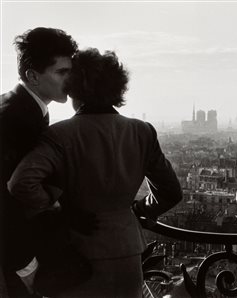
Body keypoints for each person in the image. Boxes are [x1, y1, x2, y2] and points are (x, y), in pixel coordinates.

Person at [8, 48, 183, 297]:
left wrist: (56, 208)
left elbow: (21, 183)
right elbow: (171, 192)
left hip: (77, 253)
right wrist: (139, 210)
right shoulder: (141, 132)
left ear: (74, 88)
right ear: (117, 88)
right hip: (127, 250)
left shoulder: (60, 134)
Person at [0, 27, 78, 297]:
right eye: (61, 72)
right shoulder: (21, 120)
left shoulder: (15, 106)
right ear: (33, 76)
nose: (70, 80)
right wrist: (25, 265)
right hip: (14, 258)